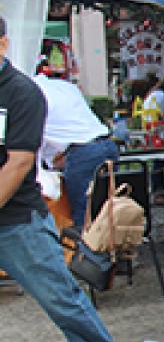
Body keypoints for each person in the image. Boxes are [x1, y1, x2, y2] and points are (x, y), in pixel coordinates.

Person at [0, 14, 133, 342]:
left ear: (3, 44)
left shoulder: (21, 93)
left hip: (17, 221)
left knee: (61, 298)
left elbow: (20, 162)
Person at [33, 62, 120, 227]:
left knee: (83, 216)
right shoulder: (63, 87)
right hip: (107, 144)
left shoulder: (31, 94)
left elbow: (35, 146)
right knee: (106, 211)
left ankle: (86, 251)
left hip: (83, 152)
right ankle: (108, 249)